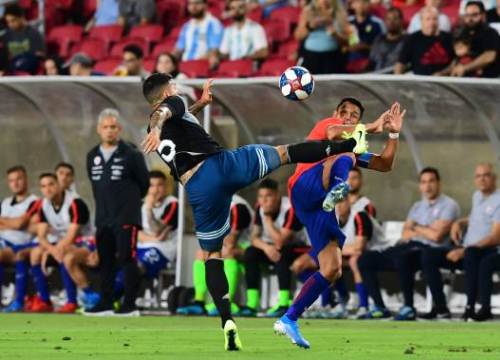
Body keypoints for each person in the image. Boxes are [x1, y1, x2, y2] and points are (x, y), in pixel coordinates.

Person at [140, 72, 369, 351]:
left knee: (213, 254)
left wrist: (199, 104)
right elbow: (165, 112)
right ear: (165, 93)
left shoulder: (163, 120)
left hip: (198, 189)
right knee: (285, 153)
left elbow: (174, 115)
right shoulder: (166, 108)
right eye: (172, 87)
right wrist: (157, 125)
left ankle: (226, 320)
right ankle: (344, 147)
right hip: (221, 165)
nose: (176, 90)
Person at [273, 99, 404, 348]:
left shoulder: (352, 147)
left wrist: (394, 133)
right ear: (335, 114)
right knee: (346, 151)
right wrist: (373, 126)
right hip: (304, 186)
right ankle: (339, 188)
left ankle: (289, 318)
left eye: (354, 115)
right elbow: (335, 133)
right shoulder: (327, 126)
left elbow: (385, 164)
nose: (348, 117)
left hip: (319, 206)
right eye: (344, 112)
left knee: (332, 268)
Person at [359, 167, 460, 321]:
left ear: (439, 183)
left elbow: (437, 236)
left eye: (431, 181)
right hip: (409, 246)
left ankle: (408, 306)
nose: (428, 186)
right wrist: (425, 229)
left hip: (431, 251)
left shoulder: (449, 205)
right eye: (424, 182)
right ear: (420, 185)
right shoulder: (417, 206)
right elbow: (405, 233)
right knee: (365, 259)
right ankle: (380, 307)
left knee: (403, 257)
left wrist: (416, 226)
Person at [84, 108, 149, 316]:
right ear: (98, 130)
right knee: (106, 261)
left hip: (126, 217)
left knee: (127, 258)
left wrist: (127, 204)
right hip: (103, 217)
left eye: (113, 127)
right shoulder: (92, 155)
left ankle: (129, 305)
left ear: (119, 129)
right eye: (105, 127)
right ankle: (106, 302)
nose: (109, 131)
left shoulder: (131, 154)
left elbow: (144, 184)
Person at [238, 179, 307, 318]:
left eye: (268, 196)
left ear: (277, 195)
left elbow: (281, 241)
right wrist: (266, 248)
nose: (263, 201)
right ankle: (252, 303)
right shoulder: (260, 207)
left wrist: (268, 220)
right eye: (260, 196)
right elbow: (254, 237)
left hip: (299, 248)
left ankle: (283, 303)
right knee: (250, 252)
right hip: (271, 248)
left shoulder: (290, 208)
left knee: (283, 252)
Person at [176, 193, 252, 316]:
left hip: (247, 246)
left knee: (228, 252)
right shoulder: (210, 204)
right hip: (225, 243)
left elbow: (231, 241)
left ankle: (226, 301)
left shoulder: (237, 207)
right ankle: (199, 302)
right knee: (201, 253)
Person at [30, 173, 93, 313]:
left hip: (84, 243)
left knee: (64, 254)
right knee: (35, 253)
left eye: (51, 184)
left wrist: (52, 251)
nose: (47, 189)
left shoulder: (75, 203)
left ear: (59, 185)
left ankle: (73, 301)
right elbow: (41, 236)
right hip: (60, 244)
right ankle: (44, 300)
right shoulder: (44, 204)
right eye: (43, 186)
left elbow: (72, 236)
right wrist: (49, 251)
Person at [449, 163, 500, 321]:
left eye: (486, 175)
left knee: (481, 260)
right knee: (428, 256)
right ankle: (442, 308)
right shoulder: (477, 196)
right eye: (478, 176)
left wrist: (464, 250)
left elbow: (495, 236)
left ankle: (479, 308)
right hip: (472, 248)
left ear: (494, 178)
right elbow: (476, 218)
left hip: (491, 248)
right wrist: (459, 222)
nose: (482, 179)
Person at [0, 166, 40, 312]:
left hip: (21, 244)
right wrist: (13, 223)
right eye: (11, 180)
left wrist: (6, 223)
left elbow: (19, 224)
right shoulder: (5, 202)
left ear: (26, 180)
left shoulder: (35, 201)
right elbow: (16, 223)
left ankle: (16, 298)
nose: (15, 183)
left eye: (19, 179)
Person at [136, 170, 178, 280]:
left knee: (137, 268)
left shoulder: (172, 203)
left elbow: (157, 231)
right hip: (141, 246)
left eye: (159, 185)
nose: (155, 190)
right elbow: (136, 233)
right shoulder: (140, 204)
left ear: (165, 187)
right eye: (151, 186)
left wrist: (149, 211)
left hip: (162, 249)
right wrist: (154, 238)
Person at [446, 1, 500, 77]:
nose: (470, 18)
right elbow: (457, 59)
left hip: (485, 82)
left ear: (483, 15)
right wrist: (443, 72)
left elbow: (489, 56)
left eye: (474, 15)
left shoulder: (490, 33)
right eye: (467, 15)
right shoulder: (462, 33)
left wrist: (465, 68)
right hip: (462, 82)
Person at [394, 6, 453, 75]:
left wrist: (444, 73)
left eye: (434, 19)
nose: (432, 22)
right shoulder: (412, 39)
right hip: (420, 81)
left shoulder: (448, 38)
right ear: (421, 21)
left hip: (446, 81)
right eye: (428, 19)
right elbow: (401, 62)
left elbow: (456, 61)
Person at [294, 0, 349, 74]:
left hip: (332, 58)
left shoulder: (339, 12)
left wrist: (335, 34)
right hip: (310, 57)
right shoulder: (308, 11)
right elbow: (298, 36)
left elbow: (348, 42)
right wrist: (311, 27)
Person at [174, 0, 224, 69]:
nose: (193, 7)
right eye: (190, 4)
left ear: (205, 5)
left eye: (197, 3)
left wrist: (193, 64)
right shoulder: (186, 26)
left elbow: (214, 51)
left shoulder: (214, 24)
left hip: (201, 66)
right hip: (184, 65)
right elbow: (179, 49)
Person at [1, 4, 45, 74]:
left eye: (13, 20)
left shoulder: (34, 34)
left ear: (22, 17)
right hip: (11, 70)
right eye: (8, 22)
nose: (10, 24)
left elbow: (38, 56)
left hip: (28, 70)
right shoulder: (6, 36)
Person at [369, 7, 406, 71]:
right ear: (385, 21)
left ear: (401, 20)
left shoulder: (407, 41)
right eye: (388, 19)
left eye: (395, 19)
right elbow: (372, 61)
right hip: (377, 77)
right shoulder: (379, 40)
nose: (391, 22)